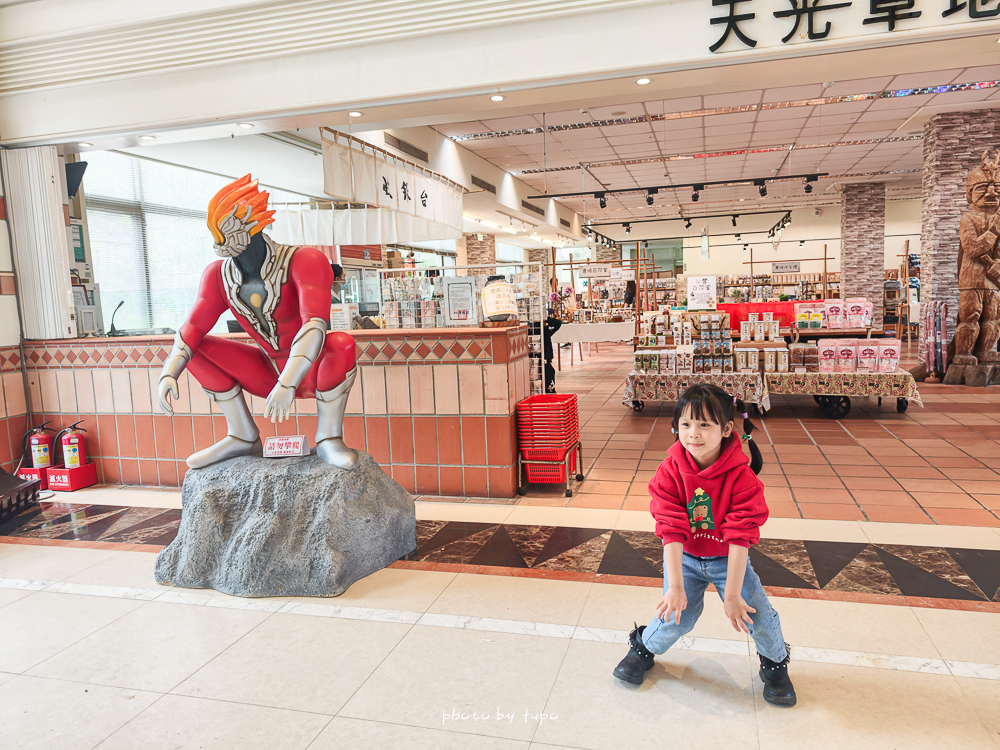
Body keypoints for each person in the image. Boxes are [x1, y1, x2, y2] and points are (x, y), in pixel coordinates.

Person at [612, 384, 796, 707]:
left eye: (704, 425)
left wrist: (733, 594)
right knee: (677, 614)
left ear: (726, 429)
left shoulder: (742, 477)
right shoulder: (669, 471)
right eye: (685, 424)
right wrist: (676, 587)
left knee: (757, 616)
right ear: (675, 427)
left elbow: (741, 537)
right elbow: (670, 531)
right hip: (684, 557)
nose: (693, 434)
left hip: (728, 559)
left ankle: (776, 666)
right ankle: (643, 648)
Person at [543, 308, 562, 393]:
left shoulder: (545, 331)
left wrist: (544, 318)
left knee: (548, 377)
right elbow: (557, 323)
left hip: (546, 359)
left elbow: (557, 323)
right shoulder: (544, 331)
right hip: (543, 358)